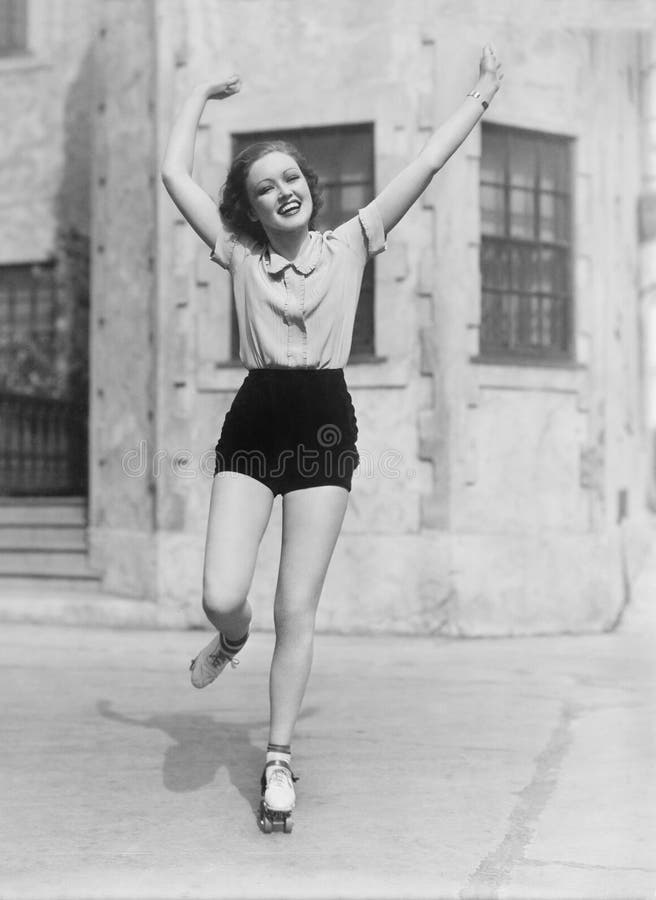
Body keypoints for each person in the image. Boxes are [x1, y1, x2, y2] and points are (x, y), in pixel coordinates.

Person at [161, 45, 503, 831]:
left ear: (309, 190)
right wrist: (199, 95)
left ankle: (278, 758)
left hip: (321, 422)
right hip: (254, 420)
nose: (282, 191)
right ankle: (231, 640)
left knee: (297, 605)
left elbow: (424, 162)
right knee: (222, 595)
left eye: (291, 179)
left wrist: (479, 97)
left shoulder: (353, 240)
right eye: (263, 186)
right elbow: (175, 177)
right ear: (248, 207)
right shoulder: (238, 251)